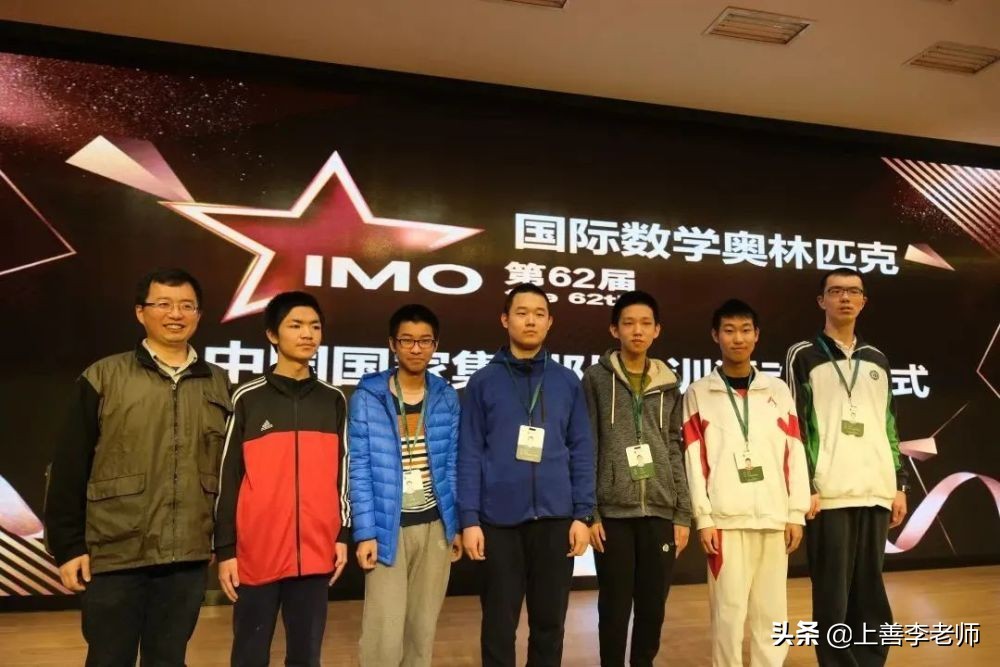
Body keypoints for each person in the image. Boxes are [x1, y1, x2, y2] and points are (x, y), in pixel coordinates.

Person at [44, 268, 231, 667]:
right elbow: (68, 467)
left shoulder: (219, 383)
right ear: (140, 312)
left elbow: (227, 472)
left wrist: (221, 542)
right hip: (116, 553)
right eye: (163, 304)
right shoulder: (103, 376)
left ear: (199, 315)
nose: (175, 314)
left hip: (187, 557)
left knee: (169, 659)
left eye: (186, 306)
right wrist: (68, 547)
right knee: (109, 659)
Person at [458, 283, 595, 667]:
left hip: (555, 521)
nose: (530, 321)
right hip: (498, 523)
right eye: (521, 313)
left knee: (550, 625)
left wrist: (583, 514)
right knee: (498, 626)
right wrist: (469, 519)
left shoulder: (567, 381)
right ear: (505, 320)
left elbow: (582, 449)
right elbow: (469, 453)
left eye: (539, 314)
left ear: (550, 322)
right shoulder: (483, 381)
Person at [214, 291, 350, 666]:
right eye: (296, 325)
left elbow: (343, 471)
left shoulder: (333, 399)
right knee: (249, 653)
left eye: (315, 326)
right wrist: (226, 549)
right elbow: (228, 476)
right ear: (272, 335)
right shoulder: (247, 397)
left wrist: (340, 533)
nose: (307, 334)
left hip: (316, 551)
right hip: (257, 551)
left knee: (306, 655)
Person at [785, 269, 909, 667]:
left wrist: (898, 483)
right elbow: (794, 427)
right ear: (821, 300)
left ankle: (871, 661)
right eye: (836, 291)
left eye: (853, 291)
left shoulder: (878, 359)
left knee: (870, 590)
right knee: (832, 595)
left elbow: (889, 425)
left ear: (863, 301)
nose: (845, 298)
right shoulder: (803, 355)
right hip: (830, 493)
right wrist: (805, 485)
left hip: (875, 490)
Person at [683, 299, 809, 666]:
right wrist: (704, 518)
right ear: (715, 336)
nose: (737, 338)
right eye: (729, 330)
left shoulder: (777, 391)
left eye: (745, 330)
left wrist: (795, 512)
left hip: (773, 518)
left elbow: (794, 452)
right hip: (726, 521)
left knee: (773, 613)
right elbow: (693, 459)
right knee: (728, 614)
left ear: (756, 335)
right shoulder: (699, 393)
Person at [581, 290, 691, 667]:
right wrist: (591, 512)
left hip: (660, 510)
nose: (637, 330)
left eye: (646, 323)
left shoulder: (670, 383)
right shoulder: (595, 380)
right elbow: (589, 444)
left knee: (652, 606)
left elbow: (674, 446)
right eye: (628, 323)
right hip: (613, 513)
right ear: (615, 329)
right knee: (613, 606)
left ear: (657, 330)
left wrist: (682, 513)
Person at [349, 303, 462, 667]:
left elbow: (453, 465)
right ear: (392, 344)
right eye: (407, 340)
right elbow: (359, 468)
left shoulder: (446, 396)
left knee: (422, 630)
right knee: (384, 633)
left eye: (425, 341)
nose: (416, 348)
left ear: (435, 345)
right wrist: (365, 533)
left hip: (435, 527)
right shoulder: (368, 397)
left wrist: (454, 525)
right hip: (388, 528)